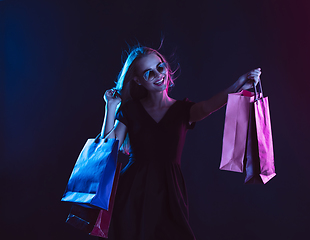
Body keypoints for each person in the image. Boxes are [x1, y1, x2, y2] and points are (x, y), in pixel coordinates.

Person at [100, 45, 261, 240]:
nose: (159, 75)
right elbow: (106, 147)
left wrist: (238, 84)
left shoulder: (182, 110)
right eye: (149, 73)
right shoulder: (131, 110)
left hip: (170, 193)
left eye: (160, 67)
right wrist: (110, 107)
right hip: (133, 193)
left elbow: (208, 106)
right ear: (138, 80)